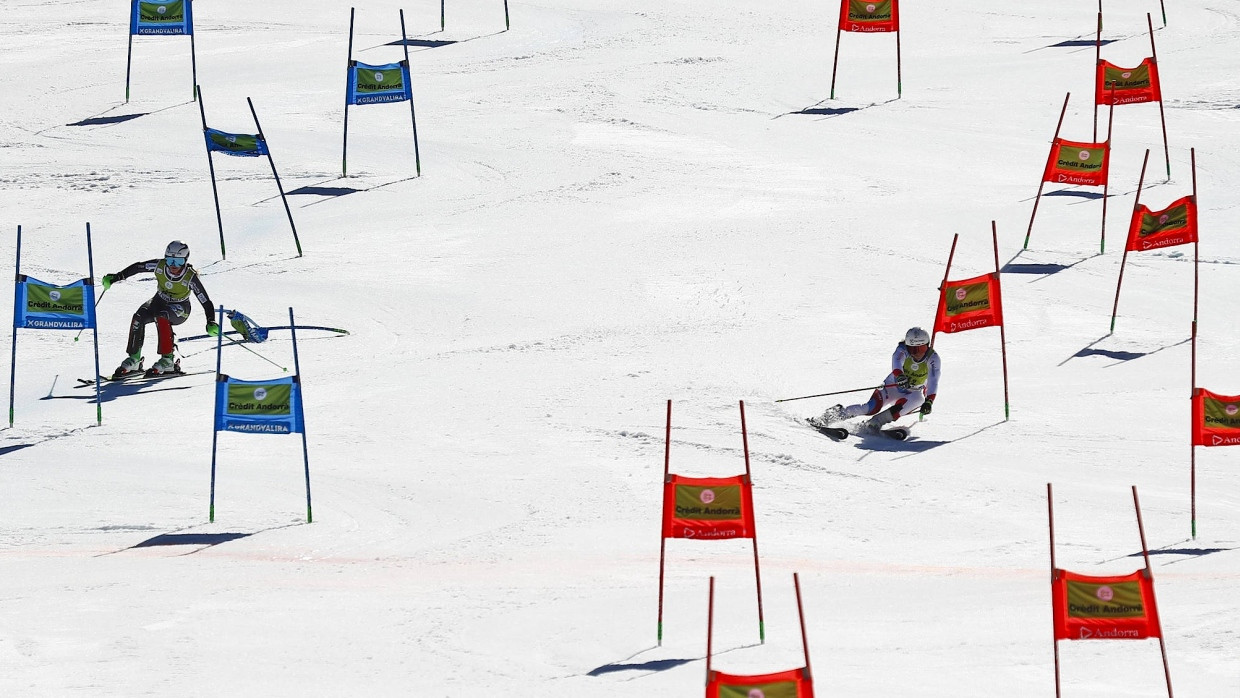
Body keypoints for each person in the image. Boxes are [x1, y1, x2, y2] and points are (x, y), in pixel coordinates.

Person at [102, 240, 219, 378]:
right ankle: (134, 359)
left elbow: (205, 301)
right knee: (139, 316)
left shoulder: (190, 277)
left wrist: (210, 321)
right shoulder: (160, 266)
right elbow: (138, 267)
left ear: (185, 261)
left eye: (179, 262)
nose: (173, 265)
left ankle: (168, 360)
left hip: (180, 309)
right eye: (170, 260)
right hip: (159, 301)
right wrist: (117, 277)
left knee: (161, 315)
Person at [811, 326, 940, 433]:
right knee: (871, 408)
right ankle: (832, 415)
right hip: (893, 385)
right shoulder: (902, 350)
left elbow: (933, 380)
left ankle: (875, 423)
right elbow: (896, 362)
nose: (917, 353)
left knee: (918, 399)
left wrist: (929, 401)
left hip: (913, 392)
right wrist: (899, 376)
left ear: (927, 345)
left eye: (921, 348)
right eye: (912, 349)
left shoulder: (933, 358)